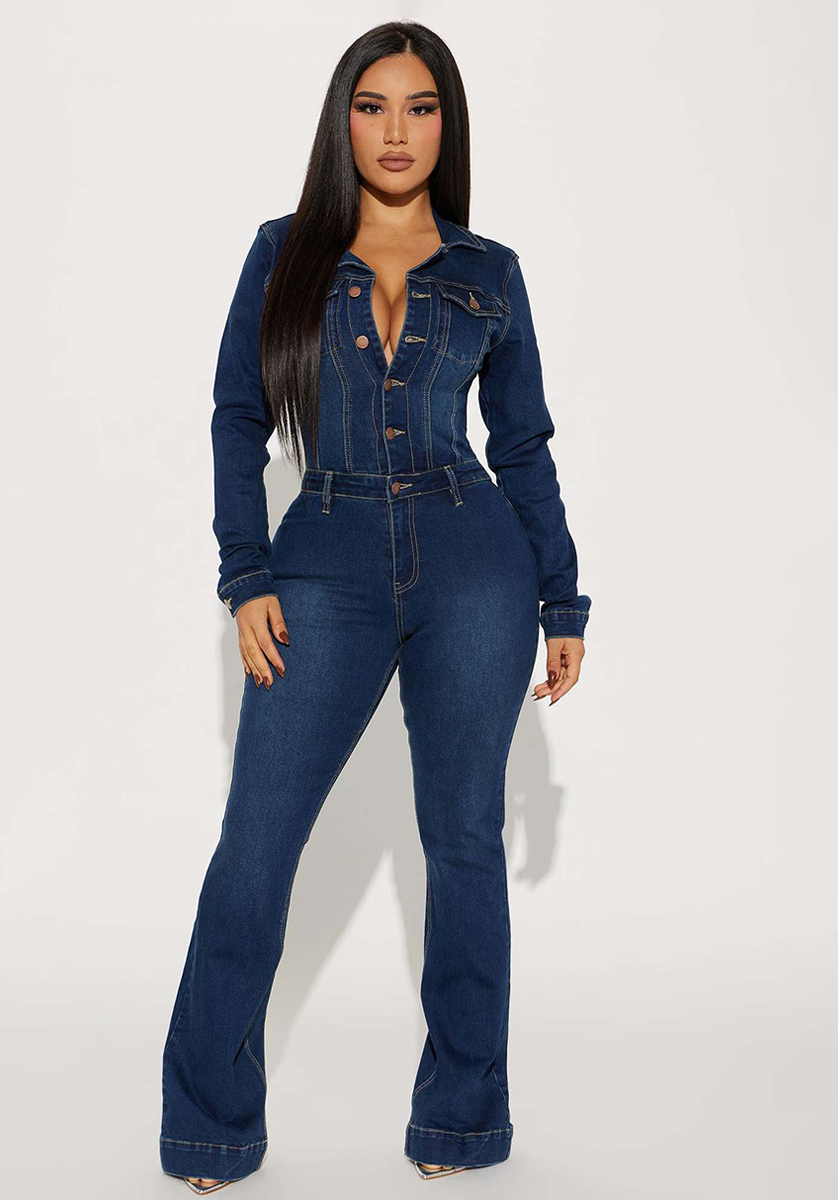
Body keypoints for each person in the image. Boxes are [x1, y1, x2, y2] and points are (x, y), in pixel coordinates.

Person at [160, 20, 591, 1194]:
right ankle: (209, 1127)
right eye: (373, 106)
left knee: (462, 843)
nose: (396, 131)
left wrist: (561, 597)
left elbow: (523, 445)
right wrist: (246, 575)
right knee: (258, 843)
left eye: (420, 107)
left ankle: (460, 1120)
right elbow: (238, 420)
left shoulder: (489, 270)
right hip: (324, 556)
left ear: (448, 125)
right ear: (342, 121)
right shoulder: (284, 252)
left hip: (474, 559)